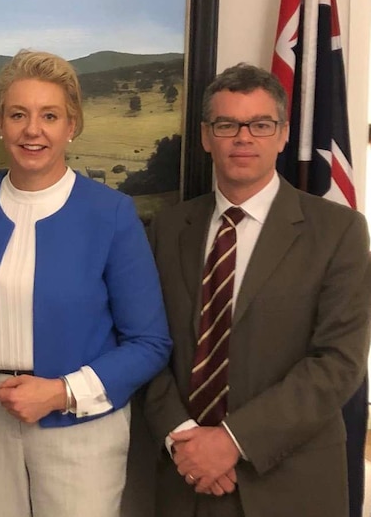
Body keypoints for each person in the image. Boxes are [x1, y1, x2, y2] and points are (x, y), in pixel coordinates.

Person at [0, 50, 173, 517]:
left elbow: (150, 343)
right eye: (18, 114)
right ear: (0, 123)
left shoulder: (112, 214)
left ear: (72, 125)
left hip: (82, 424)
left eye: (49, 115)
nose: (32, 130)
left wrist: (61, 392)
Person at [145, 63, 371, 516]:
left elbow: (339, 362)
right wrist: (182, 438)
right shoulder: (167, 228)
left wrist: (232, 440)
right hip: (183, 476)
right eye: (227, 124)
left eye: (260, 124)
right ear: (207, 136)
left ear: (284, 134)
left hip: (289, 482)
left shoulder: (339, 230)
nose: (243, 137)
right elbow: (147, 345)